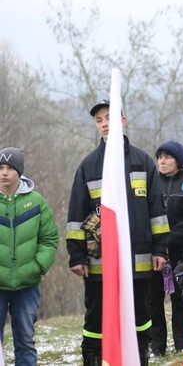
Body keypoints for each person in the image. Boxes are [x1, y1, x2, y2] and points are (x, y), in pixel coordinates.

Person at [66, 99, 169, 366]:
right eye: (99, 120)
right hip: (100, 262)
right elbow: (76, 215)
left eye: (108, 118)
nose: (103, 124)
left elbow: (157, 211)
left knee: (140, 314)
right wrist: (77, 256)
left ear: (122, 120)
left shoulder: (143, 162)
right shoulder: (88, 166)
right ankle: (93, 358)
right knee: (96, 315)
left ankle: (139, 356)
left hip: (139, 259)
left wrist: (160, 249)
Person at [0, 147, 58, 366]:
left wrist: (37, 266)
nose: (4, 172)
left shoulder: (36, 202)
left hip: (27, 286)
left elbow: (49, 239)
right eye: (1, 167)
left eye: (10, 168)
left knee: (25, 342)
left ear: (19, 172)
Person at [148, 141, 183, 356]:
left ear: (178, 161)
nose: (162, 161)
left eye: (167, 156)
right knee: (152, 300)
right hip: (153, 254)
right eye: (159, 156)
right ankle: (156, 346)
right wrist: (157, 244)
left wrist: (168, 241)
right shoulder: (150, 185)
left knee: (181, 299)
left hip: (180, 254)